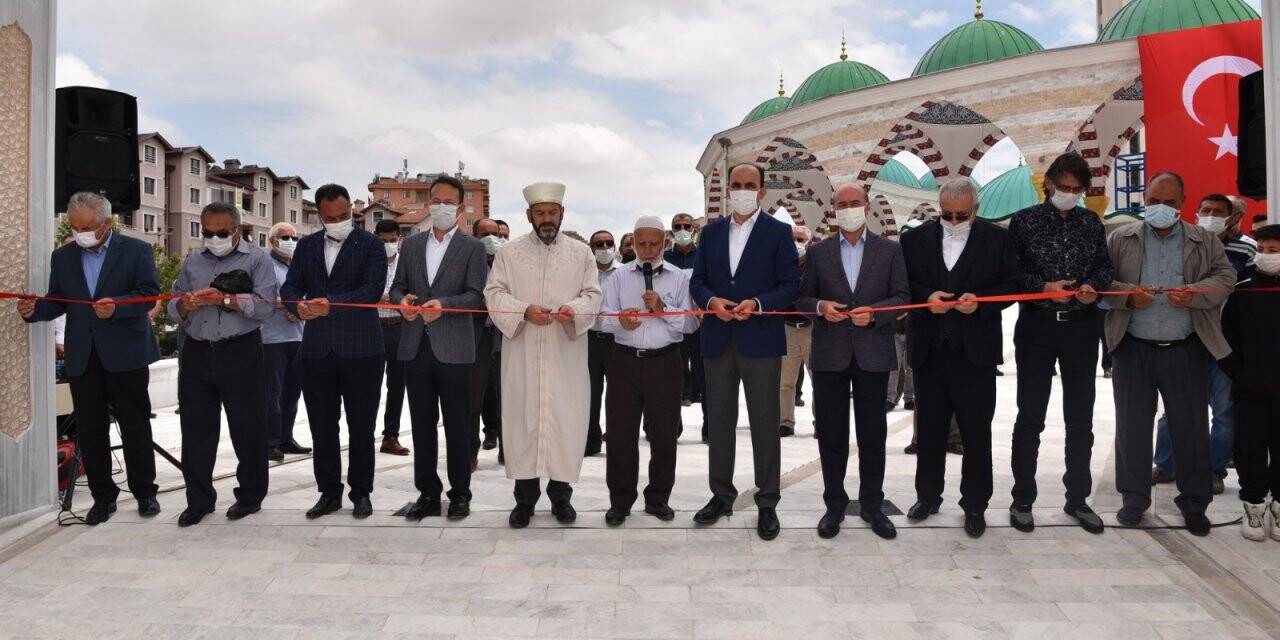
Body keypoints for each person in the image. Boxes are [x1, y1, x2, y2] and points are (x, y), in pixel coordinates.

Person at [1105, 171, 1236, 536]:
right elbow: (1102, 284)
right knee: (1132, 428)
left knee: (1191, 428)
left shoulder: (1204, 240)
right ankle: (1134, 500)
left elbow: (1225, 279)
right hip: (1133, 348)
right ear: (1143, 201)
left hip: (1185, 349)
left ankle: (1194, 503)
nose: (1160, 208)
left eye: (1168, 202)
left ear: (1182, 204)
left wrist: (1195, 291)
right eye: (1153, 201)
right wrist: (1129, 294)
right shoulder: (1121, 239)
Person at [18, 192, 161, 525]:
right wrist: (33, 310)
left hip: (126, 354)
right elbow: (58, 301)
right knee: (91, 429)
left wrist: (117, 306)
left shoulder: (137, 251)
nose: (81, 232)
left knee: (135, 426)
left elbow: (149, 295)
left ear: (106, 223)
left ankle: (145, 493)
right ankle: (102, 497)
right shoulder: (64, 257)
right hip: (83, 357)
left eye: (87, 227)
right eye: (75, 226)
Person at [900, 178, 1019, 538]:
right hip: (930, 352)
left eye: (961, 215)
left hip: (975, 354)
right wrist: (927, 297)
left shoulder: (998, 239)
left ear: (976, 209)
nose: (953, 220)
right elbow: (904, 284)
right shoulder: (914, 239)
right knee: (930, 431)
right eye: (947, 214)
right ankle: (928, 496)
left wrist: (979, 302)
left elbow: (1011, 287)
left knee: (976, 432)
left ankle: (975, 504)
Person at [689, 163, 800, 541]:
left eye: (749, 185)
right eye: (736, 185)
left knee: (765, 423)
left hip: (761, 339)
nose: (742, 190)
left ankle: (767, 501)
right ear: (728, 191)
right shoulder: (712, 233)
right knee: (719, 422)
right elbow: (697, 280)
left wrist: (756, 302)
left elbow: (790, 285)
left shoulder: (779, 233)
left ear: (762, 191)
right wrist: (710, 300)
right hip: (718, 339)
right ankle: (721, 495)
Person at [484, 182, 602, 528]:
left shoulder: (582, 254)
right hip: (522, 351)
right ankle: (524, 501)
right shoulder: (510, 253)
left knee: (564, 421)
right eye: (540, 213)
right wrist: (522, 311)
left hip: (565, 353)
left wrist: (572, 309)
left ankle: (561, 497)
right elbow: (494, 293)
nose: (547, 219)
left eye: (552, 213)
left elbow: (593, 295)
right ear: (529, 216)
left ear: (562, 214)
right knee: (525, 421)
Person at [1007, 151, 1114, 534]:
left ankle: (1078, 499)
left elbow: (1104, 266)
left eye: (1076, 189)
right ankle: (1022, 499)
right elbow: (1011, 275)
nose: (1069, 194)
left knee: (1080, 418)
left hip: (1082, 329)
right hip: (1038, 328)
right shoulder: (1024, 222)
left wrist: (1092, 288)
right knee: (1030, 417)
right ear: (1048, 183)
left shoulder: (1090, 223)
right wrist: (1042, 288)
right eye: (1063, 187)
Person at [796, 183, 909, 539]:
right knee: (831, 434)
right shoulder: (819, 253)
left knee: (873, 434)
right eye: (842, 204)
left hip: (873, 353)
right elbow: (801, 298)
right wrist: (820, 307)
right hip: (830, 354)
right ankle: (834, 506)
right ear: (834, 209)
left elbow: (903, 298)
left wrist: (876, 313)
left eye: (854, 203)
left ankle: (873, 505)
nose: (848, 209)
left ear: (866, 206)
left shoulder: (889, 251)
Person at [281, 184, 387, 520]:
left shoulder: (371, 245)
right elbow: (290, 286)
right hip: (316, 351)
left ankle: (361, 493)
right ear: (321, 217)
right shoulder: (308, 246)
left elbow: (372, 290)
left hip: (362, 349)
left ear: (352, 214)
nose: (337, 221)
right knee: (322, 427)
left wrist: (331, 307)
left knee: (361, 425)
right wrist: (298, 305)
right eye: (330, 218)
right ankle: (328, 492)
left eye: (343, 216)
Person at [168, 202, 277, 526]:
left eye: (221, 233)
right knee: (196, 428)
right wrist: (184, 305)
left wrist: (226, 300)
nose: (213, 238)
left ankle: (250, 495)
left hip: (240, 350)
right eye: (207, 233)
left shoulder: (257, 259)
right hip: (198, 351)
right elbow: (172, 305)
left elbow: (266, 306)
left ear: (237, 230)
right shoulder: (193, 261)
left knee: (247, 427)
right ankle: (198, 501)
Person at [390, 175, 489, 520]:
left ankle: (460, 493)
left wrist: (442, 305)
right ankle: (427, 493)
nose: (441, 207)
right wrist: (403, 301)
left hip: (455, 349)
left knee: (459, 425)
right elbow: (397, 288)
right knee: (421, 424)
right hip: (415, 346)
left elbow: (477, 295)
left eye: (448, 202)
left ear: (461, 208)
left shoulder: (473, 248)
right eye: (436, 200)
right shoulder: (412, 246)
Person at [1151, 194, 1253, 493]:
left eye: (1218, 212)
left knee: (1224, 412)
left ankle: (1214, 470)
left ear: (1232, 217)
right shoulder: (1182, 244)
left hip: (1224, 346)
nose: (1210, 216)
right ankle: (1166, 464)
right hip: (1187, 340)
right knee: (1172, 408)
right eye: (1205, 210)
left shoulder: (1246, 250)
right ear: (1195, 212)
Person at [599, 216, 697, 525]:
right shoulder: (619, 277)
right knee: (619, 435)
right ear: (633, 243)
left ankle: (658, 498)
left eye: (655, 243)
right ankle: (620, 500)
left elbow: (691, 323)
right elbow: (601, 319)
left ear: (665, 242)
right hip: (624, 362)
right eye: (642, 243)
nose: (648, 249)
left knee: (664, 434)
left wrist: (662, 310)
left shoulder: (680, 278)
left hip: (665, 363)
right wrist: (620, 321)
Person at [1220, 224, 1280, 541]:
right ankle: (1253, 505)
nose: (1269, 256)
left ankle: (1279, 506)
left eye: (1275, 250)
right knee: (1250, 447)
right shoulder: (1243, 291)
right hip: (1250, 388)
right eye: (1264, 250)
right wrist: (1237, 372)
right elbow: (1226, 337)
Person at [262, 223, 310, 462]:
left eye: (294, 237)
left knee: (292, 392)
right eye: (284, 237)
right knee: (272, 392)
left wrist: (300, 308)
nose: (290, 241)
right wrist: (291, 305)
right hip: (272, 338)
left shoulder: (298, 265)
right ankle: (269, 442)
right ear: (273, 241)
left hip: (298, 336)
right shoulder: (264, 265)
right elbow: (261, 297)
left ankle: (285, 438)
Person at [374, 219, 410, 456]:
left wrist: (393, 299)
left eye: (392, 240)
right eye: (383, 240)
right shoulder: (367, 263)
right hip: (372, 328)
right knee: (368, 385)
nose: (388, 244)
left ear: (399, 239)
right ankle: (362, 433)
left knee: (396, 385)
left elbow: (410, 293)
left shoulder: (406, 264)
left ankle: (391, 435)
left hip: (399, 328)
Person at [471, 218, 505, 457]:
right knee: (475, 393)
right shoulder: (469, 261)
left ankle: (508, 448)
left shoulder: (510, 262)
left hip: (506, 334)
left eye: (496, 234)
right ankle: (471, 448)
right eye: (485, 234)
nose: (492, 239)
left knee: (508, 393)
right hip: (477, 334)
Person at [586, 230, 619, 456]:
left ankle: (617, 440)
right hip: (588, 340)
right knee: (590, 392)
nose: (605, 247)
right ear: (591, 248)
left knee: (618, 394)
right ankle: (590, 441)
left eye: (609, 243)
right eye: (599, 244)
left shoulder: (625, 273)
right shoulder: (583, 274)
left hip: (616, 341)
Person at [779, 225, 815, 438]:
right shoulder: (782, 266)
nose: (796, 243)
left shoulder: (816, 266)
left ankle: (821, 422)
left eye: (800, 239)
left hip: (811, 329)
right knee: (785, 381)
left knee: (818, 379)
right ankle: (785, 422)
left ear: (809, 243)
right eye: (793, 238)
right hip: (787, 329)